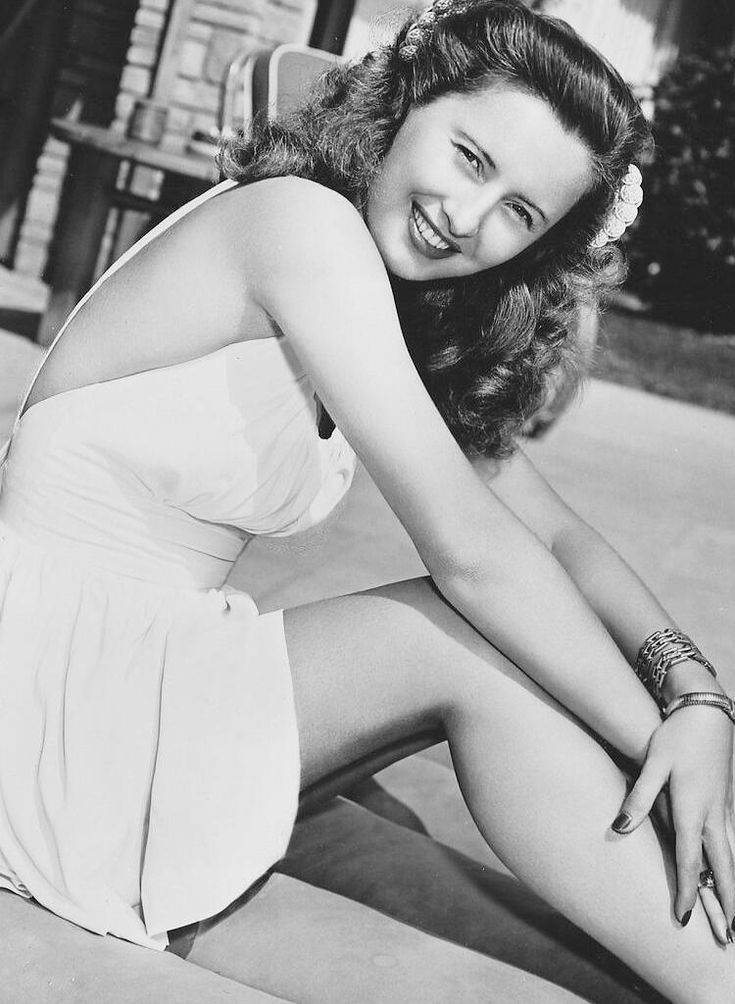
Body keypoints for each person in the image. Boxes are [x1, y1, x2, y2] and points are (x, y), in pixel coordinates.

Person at [0, 1, 732, 1000]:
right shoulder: (296, 224)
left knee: (539, 937)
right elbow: (475, 551)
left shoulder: (380, 297)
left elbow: (551, 527)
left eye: (520, 212)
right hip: (52, 695)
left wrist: (697, 694)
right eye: (472, 157)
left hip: (126, 686)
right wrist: (655, 740)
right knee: (456, 637)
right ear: (410, 98)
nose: (468, 220)